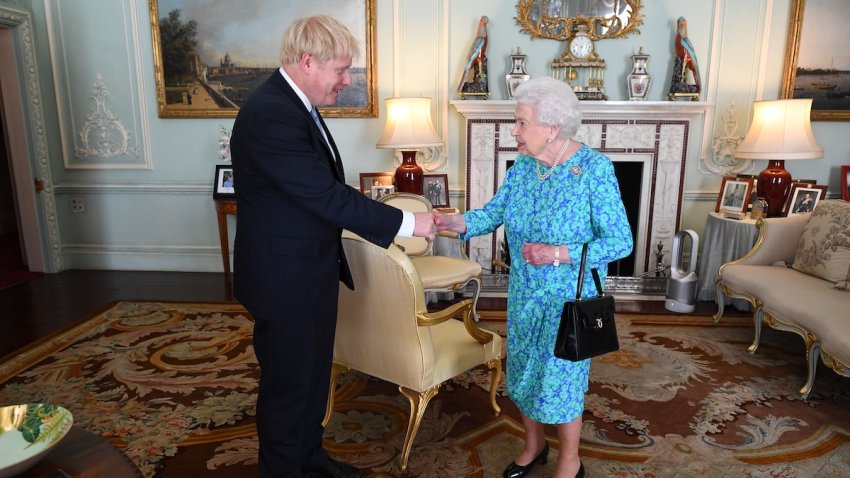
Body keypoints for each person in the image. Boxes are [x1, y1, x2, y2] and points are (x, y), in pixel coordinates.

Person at [229, 15, 436, 478]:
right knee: (288, 388)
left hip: (307, 270)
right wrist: (408, 221)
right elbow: (324, 195)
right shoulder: (271, 113)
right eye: (342, 70)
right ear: (308, 62)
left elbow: (318, 190)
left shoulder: (294, 104)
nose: (347, 80)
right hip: (284, 280)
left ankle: (310, 460)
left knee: (310, 378)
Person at [434, 76, 633, 478]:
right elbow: (493, 214)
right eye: (516, 121)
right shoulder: (524, 168)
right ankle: (534, 444)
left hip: (568, 300)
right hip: (524, 294)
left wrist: (558, 254)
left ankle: (569, 460)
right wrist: (455, 221)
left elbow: (621, 241)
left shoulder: (594, 170)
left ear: (552, 128)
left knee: (561, 380)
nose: (515, 130)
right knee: (523, 371)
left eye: (522, 122)